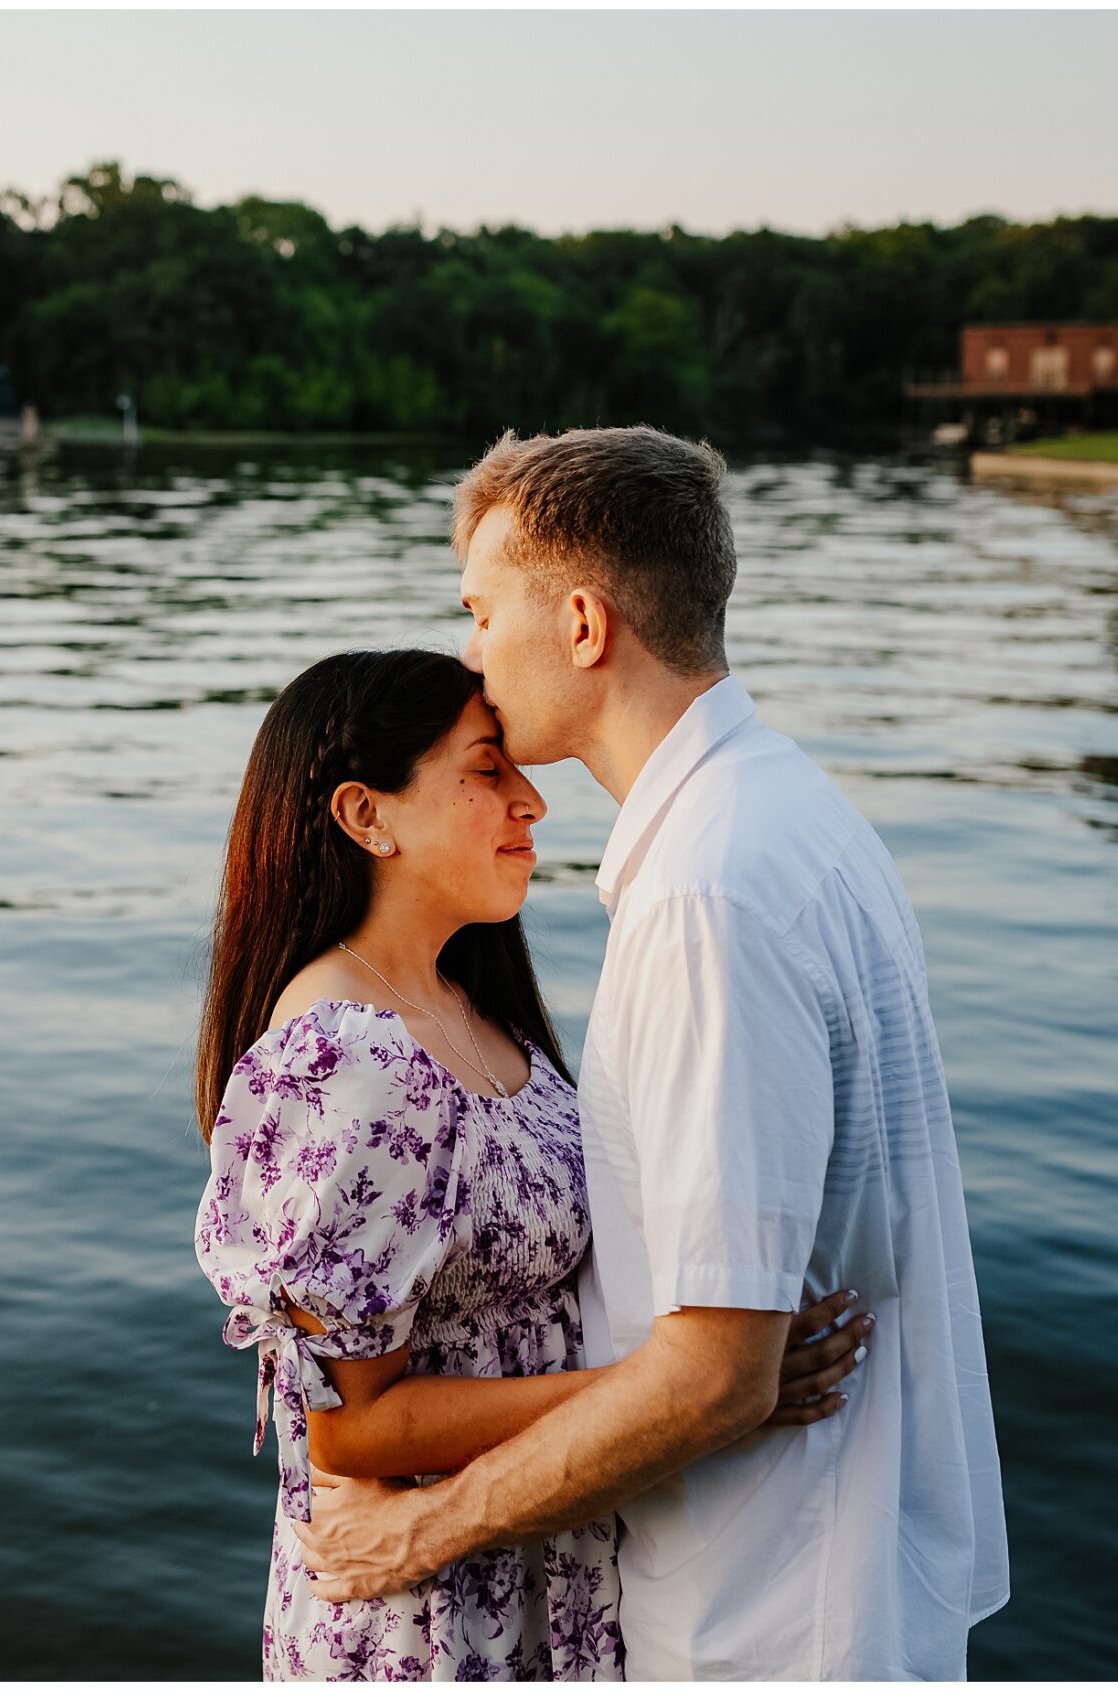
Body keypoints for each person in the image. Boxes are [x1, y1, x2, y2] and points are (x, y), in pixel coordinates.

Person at [290, 428, 1009, 1680]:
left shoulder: (705, 891)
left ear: (580, 624)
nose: (469, 653)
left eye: (479, 609)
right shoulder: (793, 816)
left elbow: (718, 1377)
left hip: (769, 1618)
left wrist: (419, 1527)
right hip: (838, 1577)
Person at [194, 647, 869, 1680]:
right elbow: (352, 1429)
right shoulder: (343, 1057)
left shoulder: (467, 1002)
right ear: (366, 815)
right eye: (485, 770)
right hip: (423, 1614)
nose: (532, 800)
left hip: (541, 1559)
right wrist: (681, 1390)